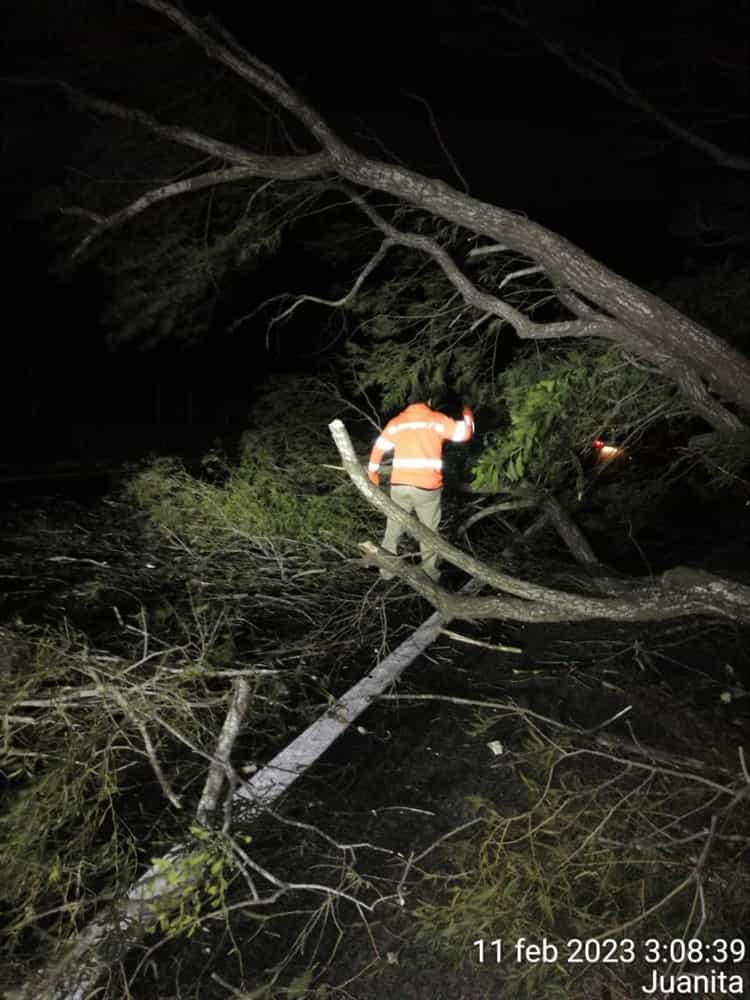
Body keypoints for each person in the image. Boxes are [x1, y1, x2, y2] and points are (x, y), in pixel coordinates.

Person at [367, 392, 475, 581]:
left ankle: (386, 570)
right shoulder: (436, 420)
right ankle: (429, 572)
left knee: (393, 527)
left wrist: (372, 474)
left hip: (400, 485)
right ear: (429, 402)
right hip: (427, 488)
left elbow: (378, 449)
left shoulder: (396, 423)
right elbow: (465, 434)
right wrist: (467, 413)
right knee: (428, 531)